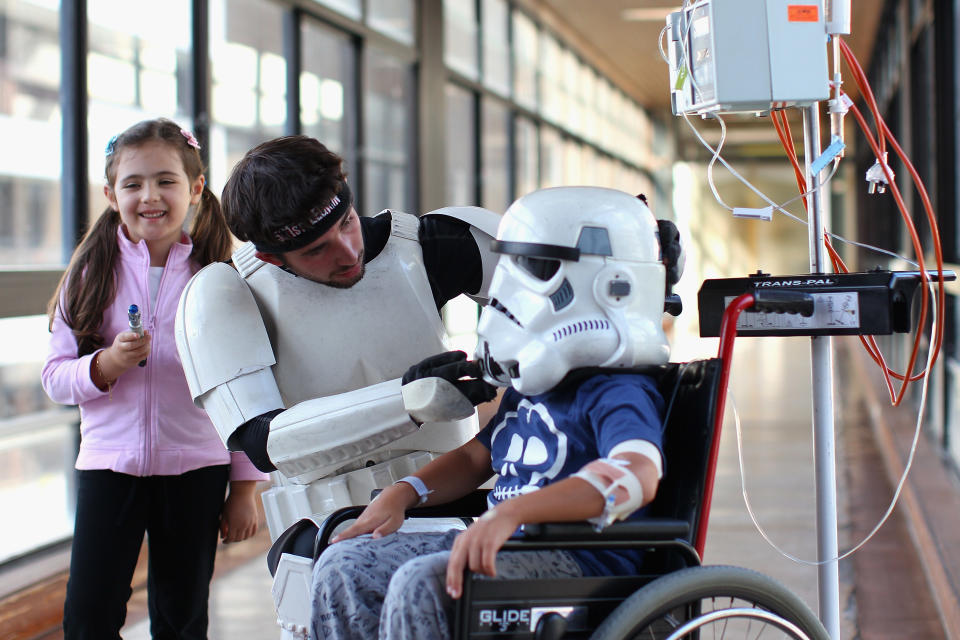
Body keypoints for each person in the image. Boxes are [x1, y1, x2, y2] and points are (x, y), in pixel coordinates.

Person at [310, 185, 685, 640]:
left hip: (580, 562)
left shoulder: (617, 390)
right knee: (343, 565)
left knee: (423, 585)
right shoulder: (535, 385)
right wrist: (404, 493)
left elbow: (637, 474)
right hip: (505, 545)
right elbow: (473, 459)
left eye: (533, 270)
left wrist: (514, 512)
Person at [173, 135, 502, 634]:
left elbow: (566, 293)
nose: (349, 251)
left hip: (457, 493)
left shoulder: (430, 243)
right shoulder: (228, 293)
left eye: (346, 221)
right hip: (325, 527)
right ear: (271, 258)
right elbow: (263, 441)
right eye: (315, 250)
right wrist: (406, 401)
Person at [41, 118, 269, 640]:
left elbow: (248, 386)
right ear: (109, 193)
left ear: (194, 189)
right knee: (88, 619)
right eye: (133, 183)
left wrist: (245, 485)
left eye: (166, 181)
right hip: (109, 467)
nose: (150, 195)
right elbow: (55, 379)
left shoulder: (220, 278)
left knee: (182, 618)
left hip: (197, 470)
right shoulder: (90, 273)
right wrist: (106, 366)